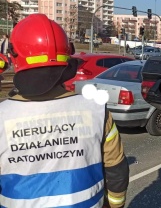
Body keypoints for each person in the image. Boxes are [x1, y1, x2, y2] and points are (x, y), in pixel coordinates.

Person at [0, 14, 129, 207]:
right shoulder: (97, 112)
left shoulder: (2, 116)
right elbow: (117, 171)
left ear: (14, 56)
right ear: (67, 54)